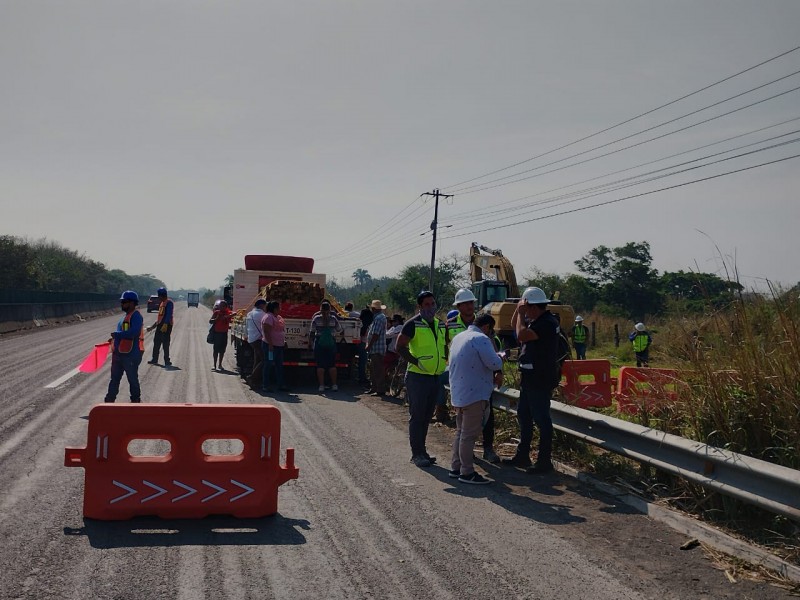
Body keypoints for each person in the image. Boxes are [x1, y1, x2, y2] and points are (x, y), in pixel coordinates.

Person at [502, 287, 560, 475]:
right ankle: (523, 454)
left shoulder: (547, 323)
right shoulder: (536, 319)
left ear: (534, 307)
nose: (524, 312)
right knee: (524, 415)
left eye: (527, 307)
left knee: (542, 419)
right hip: (530, 377)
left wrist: (520, 313)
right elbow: (515, 327)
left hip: (540, 378)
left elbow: (521, 335)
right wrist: (518, 311)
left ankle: (544, 460)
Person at [443, 289, 503, 463]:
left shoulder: (484, 324)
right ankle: (466, 455)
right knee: (463, 422)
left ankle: (487, 448)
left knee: (487, 415)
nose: (469, 306)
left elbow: (494, 350)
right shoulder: (450, 325)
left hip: (482, 378)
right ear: (458, 306)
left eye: (471, 303)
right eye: (465, 304)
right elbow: (446, 348)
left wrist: (498, 372)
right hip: (462, 379)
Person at [396, 290, 448, 468]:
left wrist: (444, 361)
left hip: (435, 376)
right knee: (417, 416)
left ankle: (422, 451)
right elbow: (400, 346)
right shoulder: (412, 324)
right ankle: (416, 454)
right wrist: (416, 362)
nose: (431, 307)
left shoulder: (441, 325)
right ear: (419, 306)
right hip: (418, 377)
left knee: (426, 416)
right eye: (426, 304)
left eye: (433, 304)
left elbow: (444, 346)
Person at [105, 290, 145, 403]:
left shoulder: (136, 316)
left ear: (132, 303)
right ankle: (109, 402)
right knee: (114, 380)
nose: (122, 304)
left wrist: (118, 335)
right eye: (122, 302)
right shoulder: (125, 317)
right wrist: (114, 339)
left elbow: (134, 332)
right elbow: (123, 332)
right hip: (119, 354)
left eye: (124, 302)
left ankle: (135, 401)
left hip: (130, 355)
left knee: (132, 379)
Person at [310, 300, 343, 392]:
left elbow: (312, 332)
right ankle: (334, 385)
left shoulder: (316, 319)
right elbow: (339, 330)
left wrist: (310, 342)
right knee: (332, 365)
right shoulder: (333, 319)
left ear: (320, 309)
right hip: (331, 344)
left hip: (319, 343)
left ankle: (321, 385)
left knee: (320, 365)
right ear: (330, 309)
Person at [262, 300, 287, 392]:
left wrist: (284, 341)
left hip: (279, 346)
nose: (280, 309)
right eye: (279, 307)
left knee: (279, 366)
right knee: (268, 364)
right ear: (274, 308)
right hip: (271, 347)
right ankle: (266, 385)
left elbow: (281, 330)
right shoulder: (268, 317)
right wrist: (270, 344)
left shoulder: (278, 317)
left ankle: (281, 384)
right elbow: (266, 332)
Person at [146, 287, 174, 366]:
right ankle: (154, 359)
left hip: (167, 325)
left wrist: (165, 324)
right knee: (156, 342)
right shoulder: (162, 303)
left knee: (165, 343)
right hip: (160, 325)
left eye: (159, 296)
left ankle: (167, 361)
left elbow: (169, 314)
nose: (158, 298)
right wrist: (152, 327)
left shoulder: (169, 303)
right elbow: (160, 317)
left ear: (162, 295)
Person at [365, 299, 388, 395]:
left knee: (378, 369)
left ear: (373, 308)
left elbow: (375, 334)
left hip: (377, 348)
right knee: (374, 369)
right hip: (376, 348)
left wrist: (369, 346)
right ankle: (375, 387)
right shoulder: (378, 317)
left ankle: (380, 389)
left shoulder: (379, 318)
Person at [245, 299, 267, 388]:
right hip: (258, 340)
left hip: (251, 339)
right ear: (262, 305)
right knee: (265, 360)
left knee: (257, 360)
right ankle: (252, 377)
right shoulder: (262, 314)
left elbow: (246, 327)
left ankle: (254, 381)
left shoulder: (249, 314)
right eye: (265, 306)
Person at [209, 299, 233, 371]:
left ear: (226, 307)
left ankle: (220, 365)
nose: (221, 307)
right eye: (220, 306)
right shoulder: (216, 313)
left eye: (223, 306)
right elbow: (210, 321)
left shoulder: (228, 313)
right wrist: (217, 319)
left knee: (222, 350)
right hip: (217, 334)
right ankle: (214, 365)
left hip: (224, 334)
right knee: (215, 350)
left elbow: (233, 315)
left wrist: (230, 315)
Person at [383, 314, 405, 379]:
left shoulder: (400, 327)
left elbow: (389, 335)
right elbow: (387, 334)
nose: (392, 323)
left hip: (395, 352)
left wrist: (382, 334)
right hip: (391, 351)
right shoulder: (393, 328)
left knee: (384, 362)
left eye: (394, 321)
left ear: (397, 321)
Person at [357, 304, 374, 386]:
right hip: (364, 344)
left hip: (358, 343)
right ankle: (362, 378)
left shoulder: (360, 323)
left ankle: (361, 377)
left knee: (361, 362)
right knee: (363, 362)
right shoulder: (370, 325)